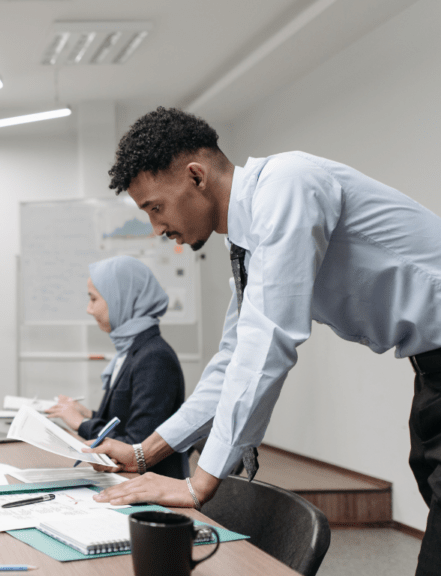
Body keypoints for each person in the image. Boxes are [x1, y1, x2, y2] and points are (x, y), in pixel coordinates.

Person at [82, 107, 441, 576]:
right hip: (429, 368)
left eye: (155, 207)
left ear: (195, 177)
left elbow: (269, 339)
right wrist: (144, 453)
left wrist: (199, 484)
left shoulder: (287, 184)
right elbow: (234, 359)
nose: (156, 228)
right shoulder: (247, 243)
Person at [45, 256, 187, 479]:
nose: (89, 309)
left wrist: (81, 423)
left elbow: (136, 446)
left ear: (121, 300)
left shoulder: (154, 358)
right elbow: (128, 420)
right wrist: (90, 414)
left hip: (148, 486)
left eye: (93, 299)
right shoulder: (133, 349)